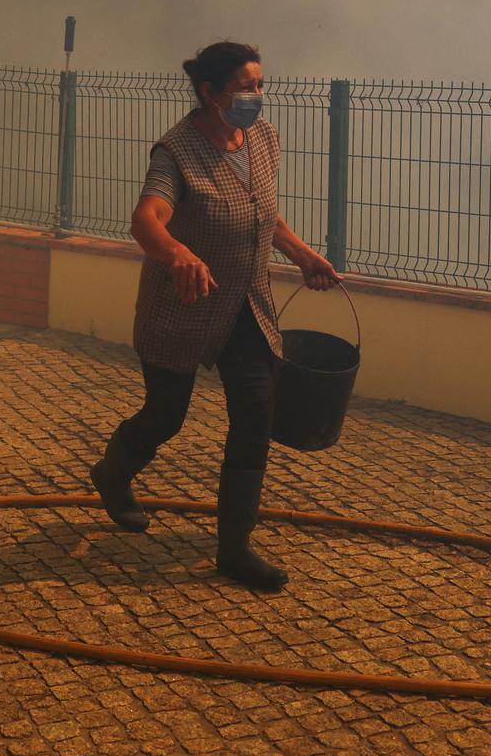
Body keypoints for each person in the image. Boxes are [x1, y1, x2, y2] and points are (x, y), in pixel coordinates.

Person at [90, 40, 339, 592]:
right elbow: (147, 217)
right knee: (167, 415)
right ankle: (112, 474)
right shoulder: (176, 151)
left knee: (255, 414)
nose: (257, 96)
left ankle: (234, 548)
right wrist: (177, 252)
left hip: (247, 304)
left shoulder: (263, 139)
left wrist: (302, 254)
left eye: (260, 85)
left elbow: (263, 212)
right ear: (209, 93)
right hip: (181, 306)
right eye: (244, 88)